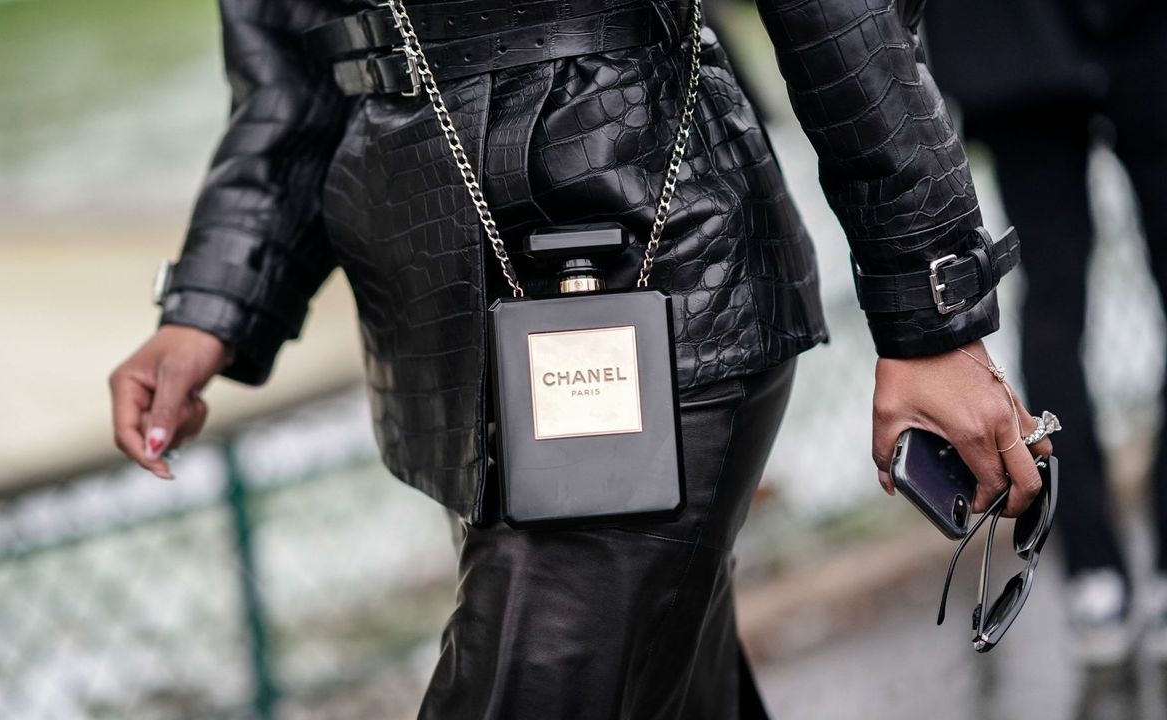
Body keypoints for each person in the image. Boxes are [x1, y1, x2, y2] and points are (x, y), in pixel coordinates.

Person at [109, 0, 1052, 716]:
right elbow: (289, 79)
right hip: (443, 327)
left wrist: (932, 321)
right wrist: (210, 307)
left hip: (660, 261)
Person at [924, 0, 1167, 666]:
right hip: (1016, 45)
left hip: (1121, 37)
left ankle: (1102, 576)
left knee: (1053, 309)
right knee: (1055, 307)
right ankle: (1092, 562)